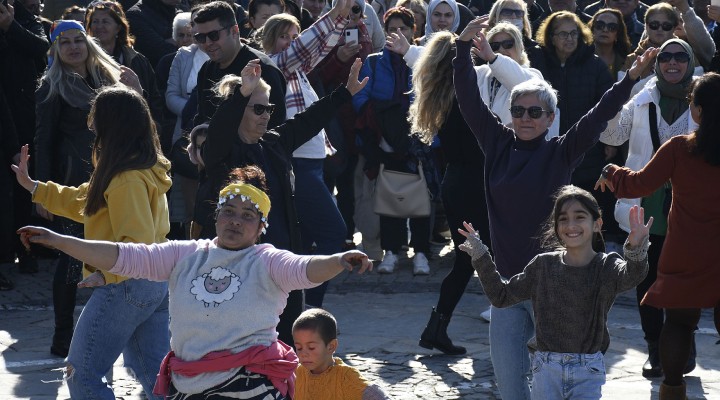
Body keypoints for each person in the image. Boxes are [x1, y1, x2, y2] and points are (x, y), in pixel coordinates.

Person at [16, 165, 373, 398]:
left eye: (248, 217)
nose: (236, 221)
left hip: (249, 385)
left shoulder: (266, 261)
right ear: (216, 216)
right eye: (229, 213)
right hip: (187, 386)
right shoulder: (186, 254)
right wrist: (60, 241)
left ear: (261, 227)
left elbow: (306, 269)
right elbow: (123, 256)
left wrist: (339, 260)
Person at [453, 16, 656, 399]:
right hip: (508, 288)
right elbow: (466, 96)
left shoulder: (561, 151)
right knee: (512, 390)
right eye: (519, 111)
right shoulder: (496, 144)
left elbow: (598, 115)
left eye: (535, 112)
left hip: (556, 287)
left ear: (550, 118)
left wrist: (629, 78)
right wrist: (462, 48)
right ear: (510, 115)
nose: (525, 118)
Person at [14, 85, 171, 398]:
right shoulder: (129, 168)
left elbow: (135, 244)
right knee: (157, 379)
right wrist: (34, 187)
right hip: (152, 283)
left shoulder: (126, 178)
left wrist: (106, 274)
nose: (90, 125)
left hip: (126, 285)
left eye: (94, 118)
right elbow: (84, 201)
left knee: (82, 374)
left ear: (111, 124)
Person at [197, 57, 367, 344]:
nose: (266, 115)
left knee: (287, 343)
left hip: (282, 262)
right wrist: (240, 95)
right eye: (258, 109)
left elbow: (308, 120)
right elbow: (219, 131)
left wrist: (345, 93)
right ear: (239, 110)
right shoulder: (222, 154)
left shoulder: (274, 143)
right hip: (238, 268)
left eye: (270, 109)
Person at [415, 23, 550, 355]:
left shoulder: (441, 94)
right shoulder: (465, 95)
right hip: (477, 184)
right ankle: (517, 330)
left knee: (468, 261)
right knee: (493, 257)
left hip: (457, 183)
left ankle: (437, 327)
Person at [458, 186, 651, 400]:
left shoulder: (606, 266)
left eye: (579, 217)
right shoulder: (543, 266)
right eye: (563, 219)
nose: (571, 225)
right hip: (545, 370)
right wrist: (480, 255)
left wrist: (637, 246)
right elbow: (501, 297)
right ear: (556, 227)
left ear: (597, 224)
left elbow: (632, 276)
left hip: (587, 372)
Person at [595, 71, 720, 400]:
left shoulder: (680, 148)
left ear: (699, 110)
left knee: (678, 323)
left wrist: (612, 171)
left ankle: (671, 390)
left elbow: (638, 184)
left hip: (685, 249)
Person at [33, 20, 141, 358]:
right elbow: (44, 140)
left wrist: (136, 89)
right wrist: (41, 191)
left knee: (118, 253)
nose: (73, 47)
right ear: (55, 50)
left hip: (114, 177)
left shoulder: (111, 78)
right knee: (70, 256)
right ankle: (62, 333)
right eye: (64, 42)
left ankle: (117, 327)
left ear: (89, 42)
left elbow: (137, 122)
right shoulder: (51, 87)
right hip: (72, 183)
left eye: (78, 40)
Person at [598, 38, 700, 378]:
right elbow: (611, 137)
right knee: (647, 276)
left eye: (680, 57)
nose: (672, 63)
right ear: (656, 63)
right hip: (646, 198)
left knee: (685, 275)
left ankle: (684, 340)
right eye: (666, 57)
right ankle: (655, 346)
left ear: (690, 61)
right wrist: (624, 82)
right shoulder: (640, 96)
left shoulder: (705, 97)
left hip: (689, 203)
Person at [260, 0, 351, 307]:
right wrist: (336, 13)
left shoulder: (297, 70)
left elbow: (318, 48)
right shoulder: (275, 65)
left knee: (307, 239)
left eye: (293, 35)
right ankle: (309, 304)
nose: (291, 42)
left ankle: (296, 304)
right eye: (284, 36)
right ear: (271, 39)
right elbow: (304, 48)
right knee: (333, 233)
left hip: (312, 166)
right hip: (297, 165)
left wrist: (339, 21)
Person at [353, 8, 434, 276]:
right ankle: (392, 251)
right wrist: (382, 121)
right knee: (390, 198)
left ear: (414, 31)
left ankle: (421, 252)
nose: (398, 34)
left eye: (405, 29)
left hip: (418, 142)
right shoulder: (374, 62)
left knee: (421, 197)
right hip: (384, 141)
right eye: (392, 29)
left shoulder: (422, 60)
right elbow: (360, 98)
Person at [0, 0, 49, 276]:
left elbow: (40, 47)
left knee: (23, 188)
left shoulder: (23, 16)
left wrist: (10, 26)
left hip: (22, 115)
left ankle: (24, 248)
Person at [84, 0, 164, 135]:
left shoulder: (138, 61)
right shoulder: (83, 60)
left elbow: (155, 102)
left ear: (119, 27)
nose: (99, 26)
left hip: (134, 133)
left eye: (105, 21)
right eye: (95, 21)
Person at [292, 308, 390, 399]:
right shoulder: (296, 373)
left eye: (311, 348)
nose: (303, 354)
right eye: (299, 348)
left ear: (331, 346)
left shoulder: (346, 377)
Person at [621, 2, 714, 84]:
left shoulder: (688, 55)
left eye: (666, 26)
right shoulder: (633, 59)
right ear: (646, 26)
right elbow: (622, 95)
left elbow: (696, 89)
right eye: (654, 25)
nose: (659, 29)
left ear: (674, 27)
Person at [125, 0, 185, 67]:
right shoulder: (135, 15)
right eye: (182, 35)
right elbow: (159, 51)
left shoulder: (179, 11)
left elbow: (195, 43)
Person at [589, 8, 631, 80]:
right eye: (599, 25)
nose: (605, 30)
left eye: (612, 27)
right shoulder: (580, 56)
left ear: (618, 33)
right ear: (592, 29)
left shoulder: (627, 60)